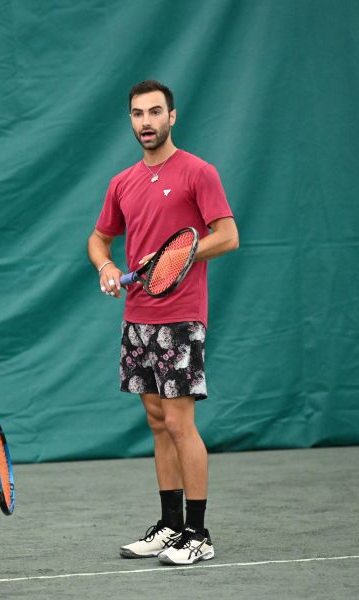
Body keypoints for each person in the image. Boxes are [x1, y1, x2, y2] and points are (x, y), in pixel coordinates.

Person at [87, 79, 239, 566]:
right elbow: (98, 238)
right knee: (157, 422)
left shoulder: (199, 172)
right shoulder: (122, 182)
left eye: (155, 112)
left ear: (172, 117)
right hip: (137, 316)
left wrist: (181, 254)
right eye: (138, 114)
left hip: (181, 317)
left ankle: (198, 533)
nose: (146, 122)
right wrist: (106, 266)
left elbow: (228, 235)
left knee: (179, 422)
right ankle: (171, 525)